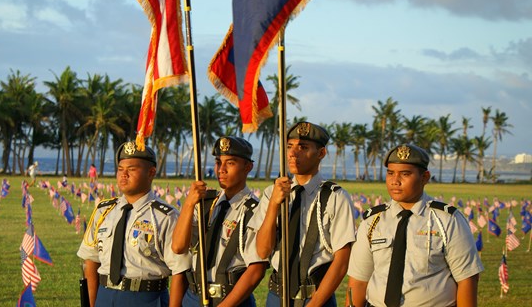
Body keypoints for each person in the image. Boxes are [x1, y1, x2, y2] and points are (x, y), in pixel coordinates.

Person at [347, 144, 484, 307]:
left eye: (405, 174)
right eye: (390, 173)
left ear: (425, 177)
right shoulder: (373, 221)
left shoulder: (447, 220)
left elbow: (467, 279)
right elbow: (358, 281)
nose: (395, 181)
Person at [249, 121, 356, 307]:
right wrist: (274, 205)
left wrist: (314, 304)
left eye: (303, 147)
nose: (292, 153)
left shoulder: (335, 197)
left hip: (316, 296)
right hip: (277, 296)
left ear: (321, 153)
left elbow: (342, 261)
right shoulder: (271, 193)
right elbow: (263, 250)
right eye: (290, 146)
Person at [77, 142, 189, 307]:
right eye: (121, 169)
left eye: (132, 169)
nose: (124, 175)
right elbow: (91, 260)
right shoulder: (104, 211)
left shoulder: (165, 216)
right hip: (105, 296)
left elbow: (181, 271)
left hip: (145, 298)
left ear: (151, 173)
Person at [172, 136, 267, 307]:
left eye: (230, 163)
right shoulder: (205, 204)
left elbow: (256, 271)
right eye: (218, 162)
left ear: (248, 167)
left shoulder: (255, 211)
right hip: (195, 297)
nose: (221, 169)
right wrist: (188, 203)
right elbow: (178, 247)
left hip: (231, 300)